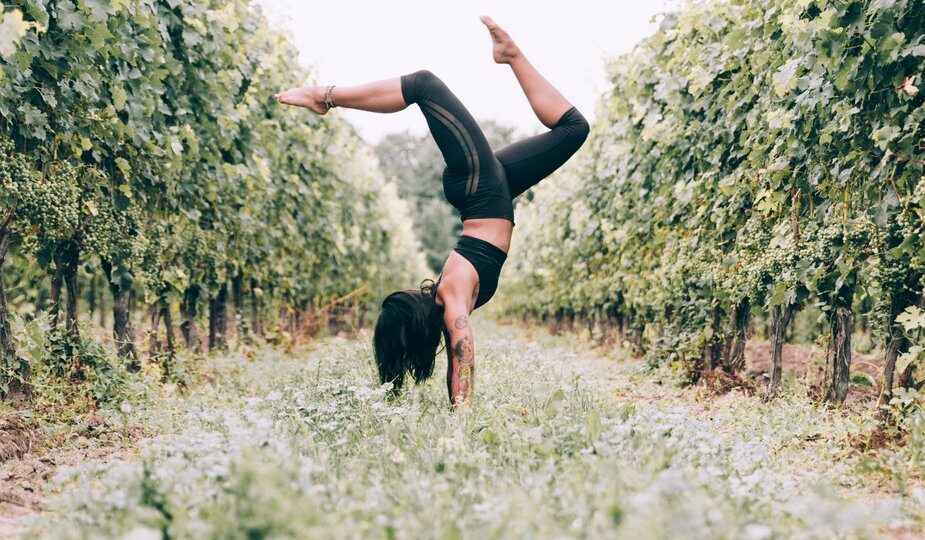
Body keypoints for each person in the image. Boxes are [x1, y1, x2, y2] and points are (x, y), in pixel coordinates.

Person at [276, 16, 589, 406]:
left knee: (425, 85)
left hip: (482, 191)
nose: (411, 291)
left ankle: (328, 97)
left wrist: (460, 409)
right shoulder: (451, 296)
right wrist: (461, 415)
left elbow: (460, 356)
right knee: (572, 129)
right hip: (487, 191)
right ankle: (325, 96)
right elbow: (463, 357)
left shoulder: (448, 295)